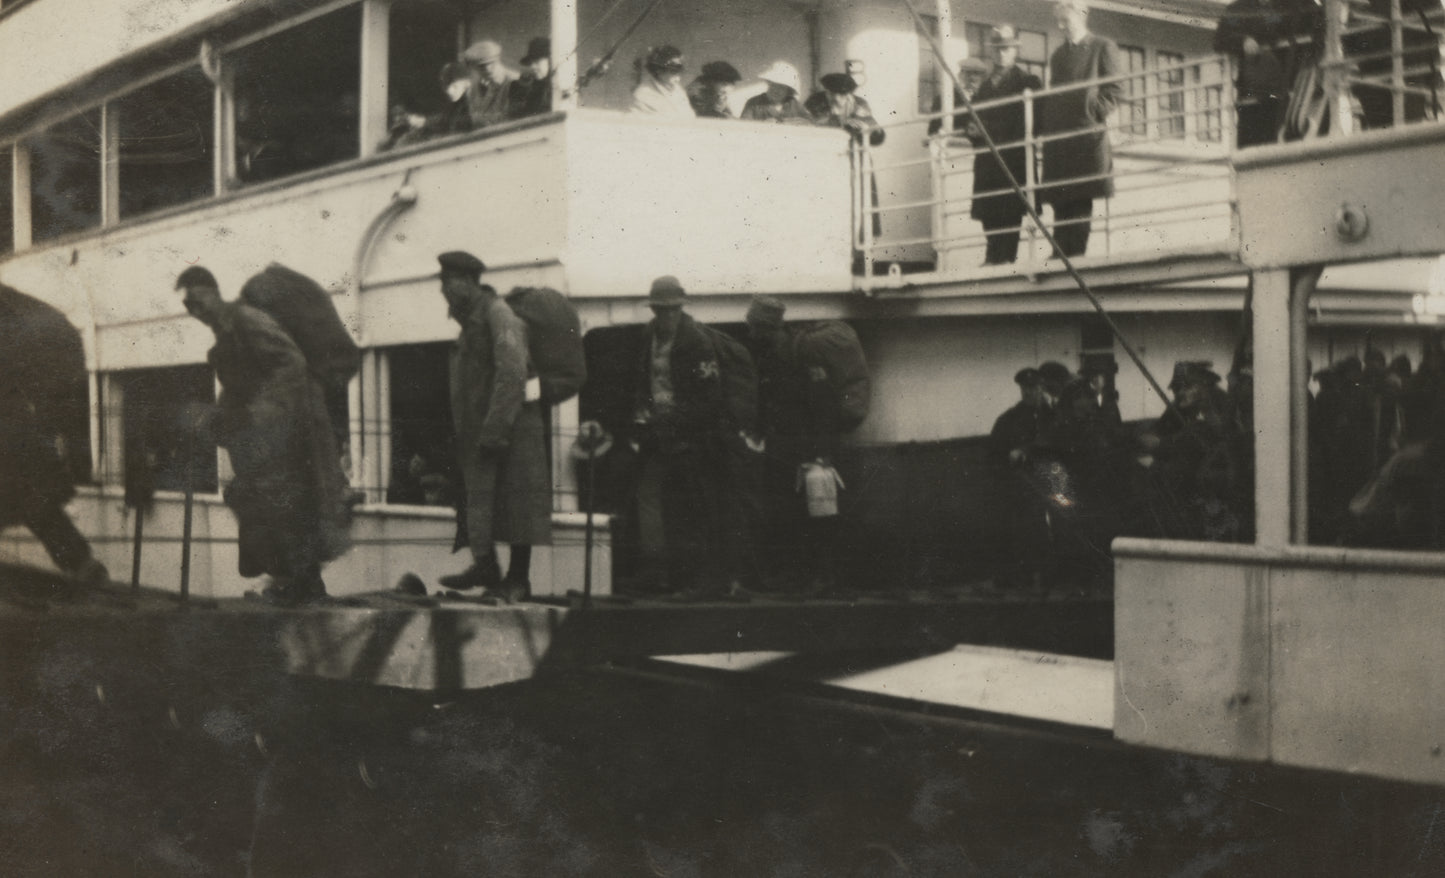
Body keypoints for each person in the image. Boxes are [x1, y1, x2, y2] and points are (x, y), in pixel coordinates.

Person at [175, 267, 351, 605]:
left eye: (198, 300)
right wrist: (219, 419)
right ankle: (296, 580)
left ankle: (299, 582)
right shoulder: (227, 332)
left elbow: (291, 364)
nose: (196, 311)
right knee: (266, 499)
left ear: (213, 291)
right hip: (272, 431)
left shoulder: (246, 320)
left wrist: (254, 414)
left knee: (283, 499)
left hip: (294, 425)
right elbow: (239, 386)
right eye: (189, 307)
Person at [434, 251, 551, 600]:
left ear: (469, 282)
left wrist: (496, 427)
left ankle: (518, 579)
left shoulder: (498, 315)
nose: (443, 290)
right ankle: (486, 566)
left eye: (448, 282)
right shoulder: (473, 319)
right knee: (479, 501)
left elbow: (513, 371)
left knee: (518, 502)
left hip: (512, 426)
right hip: (483, 429)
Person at [745, 295, 870, 593]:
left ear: (766, 328)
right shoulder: (770, 354)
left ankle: (823, 577)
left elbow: (822, 404)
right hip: (781, 447)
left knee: (819, 513)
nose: (750, 334)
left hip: (808, 449)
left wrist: (821, 454)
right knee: (786, 513)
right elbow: (769, 399)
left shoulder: (803, 354)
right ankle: (795, 575)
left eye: (754, 327)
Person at [627, 276, 733, 595]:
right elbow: (642, 381)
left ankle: (695, 580)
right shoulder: (649, 336)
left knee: (690, 506)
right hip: (657, 434)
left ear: (681, 309)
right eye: (660, 310)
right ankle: (656, 571)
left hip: (691, 437)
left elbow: (710, 399)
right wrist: (641, 414)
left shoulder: (697, 342)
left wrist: (675, 422)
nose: (666, 316)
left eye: (672, 310)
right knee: (649, 497)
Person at [0, 284, 109, 592]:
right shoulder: (19, 309)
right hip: (17, 431)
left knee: (38, 505)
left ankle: (83, 566)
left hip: (11, 434)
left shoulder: (11, 314)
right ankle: (83, 565)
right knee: (40, 507)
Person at [1037, 0, 1123, 258]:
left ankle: (1073, 255)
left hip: (1086, 137)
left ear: (1082, 14)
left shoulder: (1102, 47)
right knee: (1061, 197)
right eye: (1059, 22)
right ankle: (1060, 252)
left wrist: (1091, 111)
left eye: (1066, 20)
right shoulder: (1058, 55)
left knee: (1080, 197)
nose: (1062, 27)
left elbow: (1115, 90)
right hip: (1060, 138)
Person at [964, 26, 1045, 265]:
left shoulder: (1028, 82)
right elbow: (974, 118)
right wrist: (972, 131)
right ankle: (992, 255)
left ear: (1014, 52)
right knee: (988, 208)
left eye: (1006, 49)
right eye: (997, 49)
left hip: (1013, 157)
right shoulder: (985, 86)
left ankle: (1006, 257)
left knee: (1010, 209)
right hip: (988, 160)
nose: (1001, 54)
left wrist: (990, 129)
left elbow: (1034, 121)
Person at [1213, 0, 1325, 146]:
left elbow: (1321, 26)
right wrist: (1243, 41)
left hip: (1297, 96)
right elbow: (1220, 39)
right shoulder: (1239, 8)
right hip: (1256, 99)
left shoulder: (1299, 4)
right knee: (1256, 149)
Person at [805, 72, 886, 237]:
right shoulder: (815, 102)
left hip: (854, 162)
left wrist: (865, 129)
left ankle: (859, 253)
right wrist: (836, 120)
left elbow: (878, 137)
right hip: (823, 161)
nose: (837, 98)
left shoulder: (860, 105)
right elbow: (808, 127)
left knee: (859, 203)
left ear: (849, 93)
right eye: (832, 93)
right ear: (826, 91)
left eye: (842, 94)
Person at [927, 56, 991, 135]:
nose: (972, 78)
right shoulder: (944, 100)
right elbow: (933, 131)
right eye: (968, 74)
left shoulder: (987, 99)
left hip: (980, 145)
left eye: (976, 74)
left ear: (982, 79)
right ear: (960, 75)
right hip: (955, 144)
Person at [462, 39, 516, 128]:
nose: (487, 69)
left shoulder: (515, 82)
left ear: (498, 60)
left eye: (491, 64)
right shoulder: (475, 89)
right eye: (481, 67)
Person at [631, 45, 694, 117]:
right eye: (673, 70)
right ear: (659, 70)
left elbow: (690, 118)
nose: (678, 76)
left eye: (680, 70)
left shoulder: (678, 90)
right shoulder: (643, 95)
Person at [741, 61, 810, 123]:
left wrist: (788, 122)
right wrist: (763, 124)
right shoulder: (754, 103)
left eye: (781, 87)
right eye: (773, 86)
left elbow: (810, 123)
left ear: (788, 90)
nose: (776, 90)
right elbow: (744, 125)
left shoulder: (793, 104)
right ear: (769, 84)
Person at [509, 37, 553, 120]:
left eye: (537, 62)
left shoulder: (555, 86)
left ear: (550, 61)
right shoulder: (527, 87)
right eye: (531, 63)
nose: (532, 67)